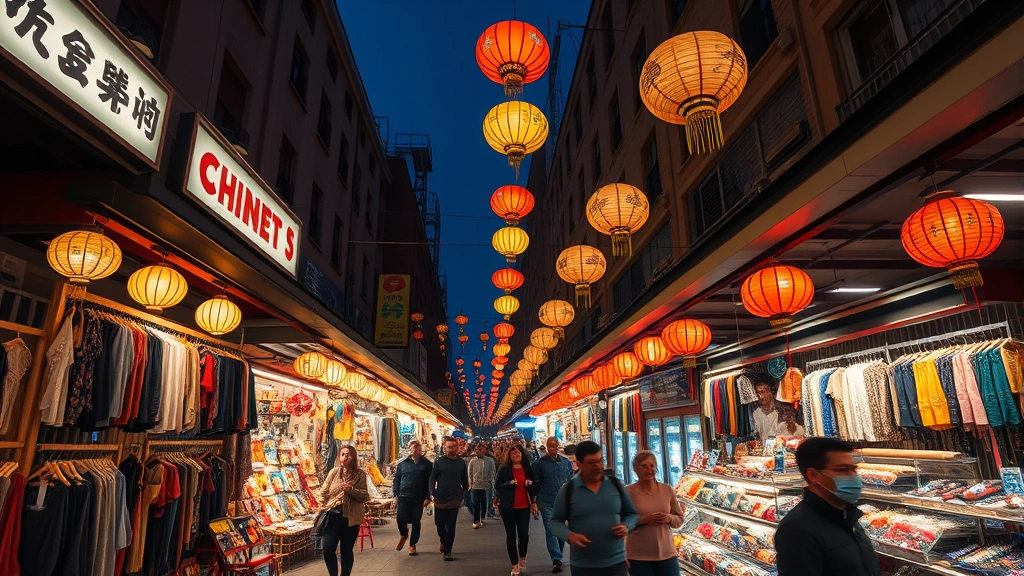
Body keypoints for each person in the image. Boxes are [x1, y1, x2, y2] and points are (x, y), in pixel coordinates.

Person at [775, 437, 881, 576]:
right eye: (842, 470)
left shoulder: (846, 516)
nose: (853, 477)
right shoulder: (797, 530)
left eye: (853, 469)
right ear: (813, 475)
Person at [549, 441, 638, 576]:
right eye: (591, 463)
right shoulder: (568, 490)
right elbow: (555, 522)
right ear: (579, 464)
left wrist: (626, 526)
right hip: (583, 565)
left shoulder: (616, 485)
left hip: (616, 562)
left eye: (600, 460)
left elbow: (631, 514)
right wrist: (569, 536)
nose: (597, 466)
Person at [625, 451, 685, 576]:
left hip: (667, 554)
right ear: (636, 469)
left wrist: (669, 518)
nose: (649, 469)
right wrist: (643, 520)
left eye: (652, 465)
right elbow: (621, 523)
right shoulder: (628, 492)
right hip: (638, 556)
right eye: (644, 466)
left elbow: (679, 519)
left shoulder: (667, 490)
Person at [318, 445, 370, 576]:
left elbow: (365, 496)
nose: (345, 456)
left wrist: (350, 490)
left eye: (348, 454)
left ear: (353, 456)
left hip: (350, 519)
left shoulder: (360, 475)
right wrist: (324, 506)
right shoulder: (333, 472)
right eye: (343, 454)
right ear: (339, 457)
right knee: (328, 549)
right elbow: (323, 492)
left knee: (346, 551)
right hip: (332, 516)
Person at [494, 444, 540, 575]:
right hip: (507, 506)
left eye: (518, 453)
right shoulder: (504, 469)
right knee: (511, 535)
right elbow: (497, 485)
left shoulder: (527, 469)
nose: (516, 455)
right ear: (509, 456)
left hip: (524, 506)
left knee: (524, 534)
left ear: (522, 455)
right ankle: (514, 564)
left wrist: (534, 501)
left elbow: (533, 485)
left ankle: (523, 557)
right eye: (513, 454)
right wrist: (509, 484)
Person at [533, 436, 575, 573]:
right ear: (546, 447)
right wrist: (534, 502)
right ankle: (556, 559)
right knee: (551, 531)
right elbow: (535, 484)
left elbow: (570, 481)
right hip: (546, 502)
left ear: (558, 446)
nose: (552, 450)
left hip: (563, 502)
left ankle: (559, 554)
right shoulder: (539, 464)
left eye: (555, 447)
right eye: (550, 447)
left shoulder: (566, 462)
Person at [428, 436, 469, 561]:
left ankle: (448, 550)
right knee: (440, 524)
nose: (452, 449)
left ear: (457, 448)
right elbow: (432, 478)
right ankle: (442, 539)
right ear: (444, 448)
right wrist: (432, 492)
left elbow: (464, 479)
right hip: (440, 497)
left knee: (451, 525)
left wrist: (464, 493)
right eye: (449, 447)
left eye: (454, 447)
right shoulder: (439, 462)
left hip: (455, 498)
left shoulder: (461, 463)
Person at [392, 440, 433, 555]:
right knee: (400, 519)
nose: (416, 450)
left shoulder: (427, 464)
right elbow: (396, 481)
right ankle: (404, 534)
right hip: (403, 497)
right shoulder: (403, 464)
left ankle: (412, 545)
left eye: (418, 448)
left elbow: (429, 481)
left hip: (418, 498)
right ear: (410, 450)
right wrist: (395, 495)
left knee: (416, 521)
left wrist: (428, 497)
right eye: (414, 448)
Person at [468, 442, 497, 528]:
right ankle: (476, 520)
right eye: (477, 449)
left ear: (485, 450)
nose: (478, 451)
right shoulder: (472, 461)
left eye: (481, 449)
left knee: (484, 501)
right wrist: (471, 483)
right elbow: (470, 473)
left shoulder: (490, 460)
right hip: (475, 486)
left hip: (486, 486)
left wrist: (489, 481)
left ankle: (482, 516)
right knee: (475, 503)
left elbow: (492, 472)